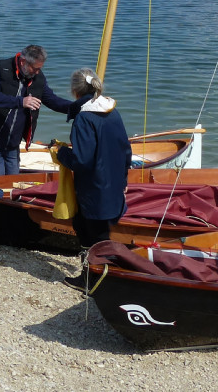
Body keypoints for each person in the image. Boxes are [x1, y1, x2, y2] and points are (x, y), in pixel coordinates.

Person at [55, 68, 132, 291]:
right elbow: (125, 150)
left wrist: (60, 152)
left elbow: (82, 160)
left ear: (74, 91)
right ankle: (99, 277)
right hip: (113, 181)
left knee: (91, 231)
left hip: (95, 186)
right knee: (96, 229)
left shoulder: (84, 118)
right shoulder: (112, 111)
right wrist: (124, 180)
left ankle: (93, 281)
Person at [0, 45, 74, 176]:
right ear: (23, 61)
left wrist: (78, 108)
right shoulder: (0, 68)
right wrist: (21, 101)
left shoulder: (38, 78)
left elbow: (53, 101)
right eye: (35, 68)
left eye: (40, 69)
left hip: (12, 145)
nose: (37, 72)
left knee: (13, 184)